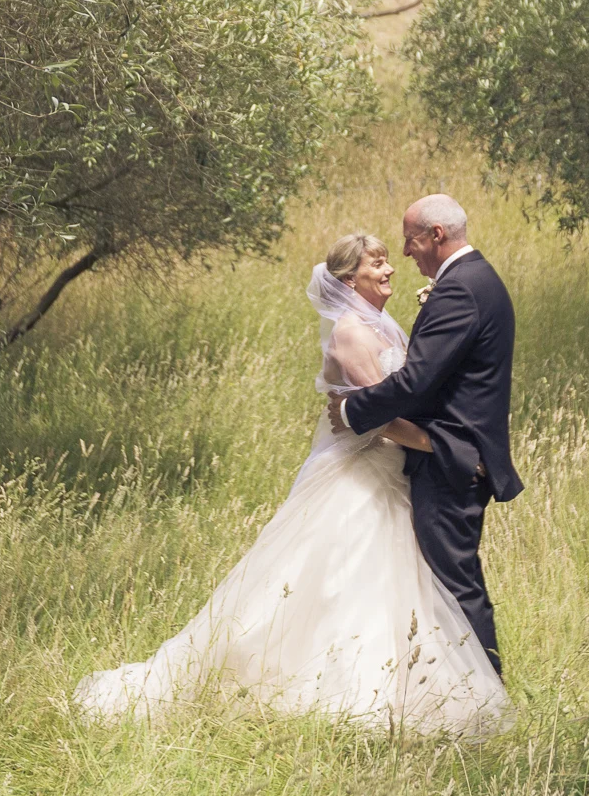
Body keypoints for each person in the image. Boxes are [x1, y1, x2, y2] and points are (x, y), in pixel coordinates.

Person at [73, 228, 508, 736]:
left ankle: (417, 686)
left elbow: (412, 387)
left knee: (396, 582)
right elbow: (382, 417)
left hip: (392, 471)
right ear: (350, 279)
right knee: (343, 578)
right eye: (377, 265)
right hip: (361, 474)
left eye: (389, 261)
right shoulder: (351, 332)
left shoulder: (384, 323)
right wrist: (447, 448)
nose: (390, 269)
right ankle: (340, 690)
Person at [328, 194, 521, 676]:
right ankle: (455, 686)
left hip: (451, 459)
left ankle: (485, 694)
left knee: (455, 585)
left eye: (410, 242)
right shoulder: (473, 280)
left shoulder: (460, 289)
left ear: (435, 235)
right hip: (440, 453)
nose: (406, 254)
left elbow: (416, 382)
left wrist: (353, 411)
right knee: (443, 581)